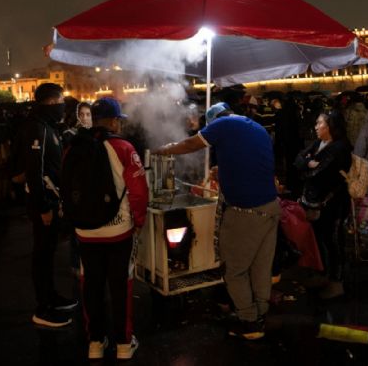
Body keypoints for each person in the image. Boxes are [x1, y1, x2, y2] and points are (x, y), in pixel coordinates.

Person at [153, 102, 279, 340]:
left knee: (234, 270)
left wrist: (166, 149)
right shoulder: (256, 127)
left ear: (213, 121)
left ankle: (249, 322)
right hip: (271, 208)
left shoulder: (223, 124)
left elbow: (192, 143)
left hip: (246, 212)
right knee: (260, 266)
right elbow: (251, 165)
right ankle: (260, 313)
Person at [73, 97, 148, 360]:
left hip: (84, 232)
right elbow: (139, 193)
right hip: (118, 233)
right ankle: (124, 345)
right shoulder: (124, 148)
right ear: (114, 120)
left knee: (90, 287)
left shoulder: (73, 147)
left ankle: (95, 343)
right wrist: (138, 222)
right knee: (121, 288)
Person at [11, 83, 77, 328]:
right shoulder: (36, 128)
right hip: (42, 202)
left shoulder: (48, 126)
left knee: (48, 253)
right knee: (41, 254)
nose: (62, 105)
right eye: (60, 100)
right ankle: (43, 308)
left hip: (50, 199)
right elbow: (34, 172)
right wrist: (44, 207)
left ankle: (52, 297)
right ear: (50, 103)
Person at [294, 111, 352, 299]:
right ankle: (324, 274)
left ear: (331, 127)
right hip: (317, 203)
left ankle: (337, 282)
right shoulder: (319, 143)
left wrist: (308, 166)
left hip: (333, 204)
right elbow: (299, 160)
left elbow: (317, 173)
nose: (316, 126)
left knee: (333, 241)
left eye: (320, 123)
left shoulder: (340, 148)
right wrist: (307, 163)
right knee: (320, 239)